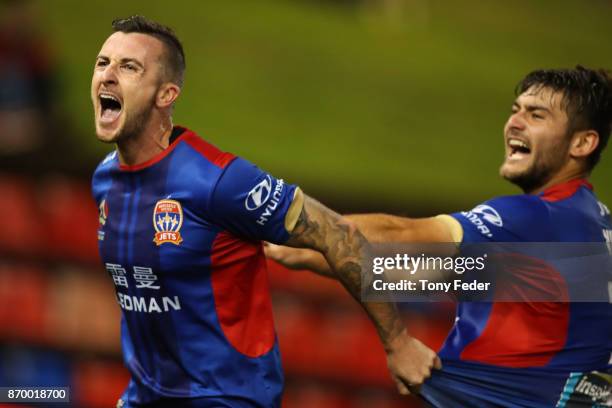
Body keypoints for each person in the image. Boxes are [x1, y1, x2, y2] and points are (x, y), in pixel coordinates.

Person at [90, 15, 440, 408]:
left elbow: (336, 234)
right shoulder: (104, 180)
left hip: (225, 398)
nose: (107, 75)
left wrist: (398, 343)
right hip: (144, 396)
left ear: (166, 94)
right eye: (103, 62)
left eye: (129, 66)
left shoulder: (218, 180)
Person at [267, 66, 612, 407]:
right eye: (515, 110)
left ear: (582, 143)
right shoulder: (583, 228)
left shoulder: (537, 219)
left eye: (536, 115)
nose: (514, 123)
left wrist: (289, 223)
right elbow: (410, 272)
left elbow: (398, 234)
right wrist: (304, 254)